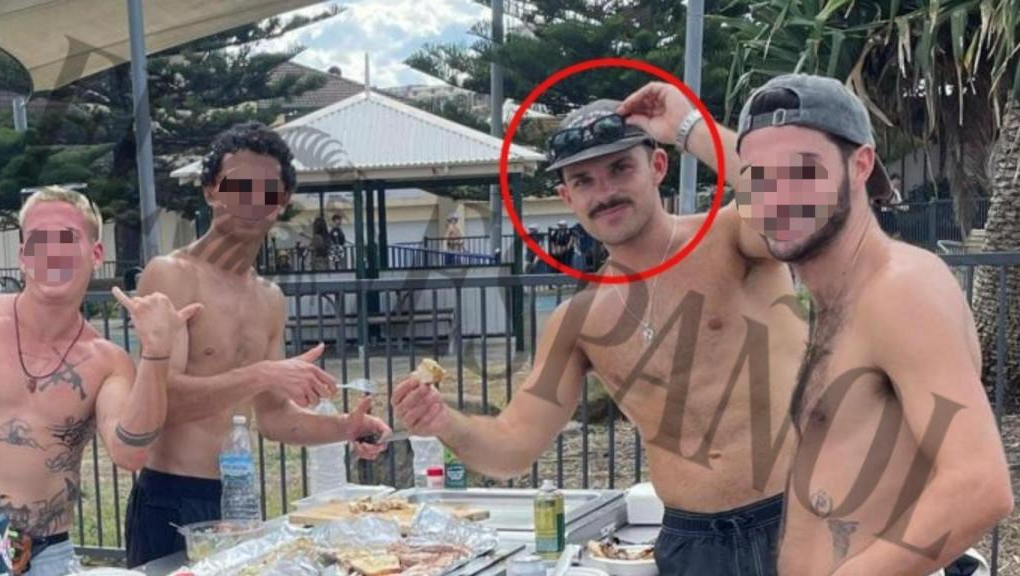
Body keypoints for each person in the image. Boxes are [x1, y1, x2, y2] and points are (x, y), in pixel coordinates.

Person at [393, 97, 809, 575]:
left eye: (619, 169)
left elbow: (797, 201)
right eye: (583, 181)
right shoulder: (580, 321)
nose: (604, 192)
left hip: (801, 517)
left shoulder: (734, 236)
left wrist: (689, 125)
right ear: (567, 198)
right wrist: (445, 422)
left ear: (657, 166)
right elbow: (514, 444)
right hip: (691, 545)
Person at [731, 75, 1012, 574]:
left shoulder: (900, 289)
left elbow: (978, 486)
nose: (775, 196)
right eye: (759, 177)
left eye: (800, 172)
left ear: (860, 165)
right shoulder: (842, 297)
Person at [124, 122, 390, 567]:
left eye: (267, 190)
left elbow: (272, 417)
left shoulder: (268, 298)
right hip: (171, 500)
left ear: (281, 203)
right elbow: (160, 405)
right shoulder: (172, 274)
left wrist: (345, 427)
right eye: (238, 187)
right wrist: (263, 373)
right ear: (212, 191)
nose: (251, 201)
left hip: (240, 508)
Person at [0, 186, 199, 575]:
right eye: (39, 241)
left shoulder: (105, 361)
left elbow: (130, 453)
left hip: (45, 554)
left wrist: (156, 353)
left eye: (66, 241)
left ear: (95, 254)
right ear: (23, 256)